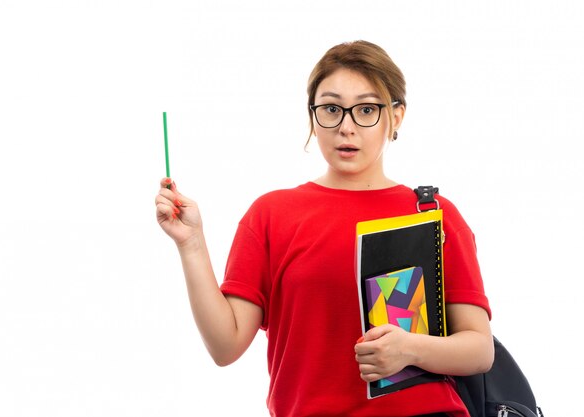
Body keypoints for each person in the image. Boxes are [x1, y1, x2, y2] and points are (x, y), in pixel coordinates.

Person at [155, 40, 494, 417]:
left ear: (396, 116)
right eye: (332, 108)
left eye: (366, 109)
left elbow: (479, 350)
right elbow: (225, 346)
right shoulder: (271, 214)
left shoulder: (432, 213)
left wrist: (411, 349)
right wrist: (191, 244)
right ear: (313, 117)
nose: (346, 127)